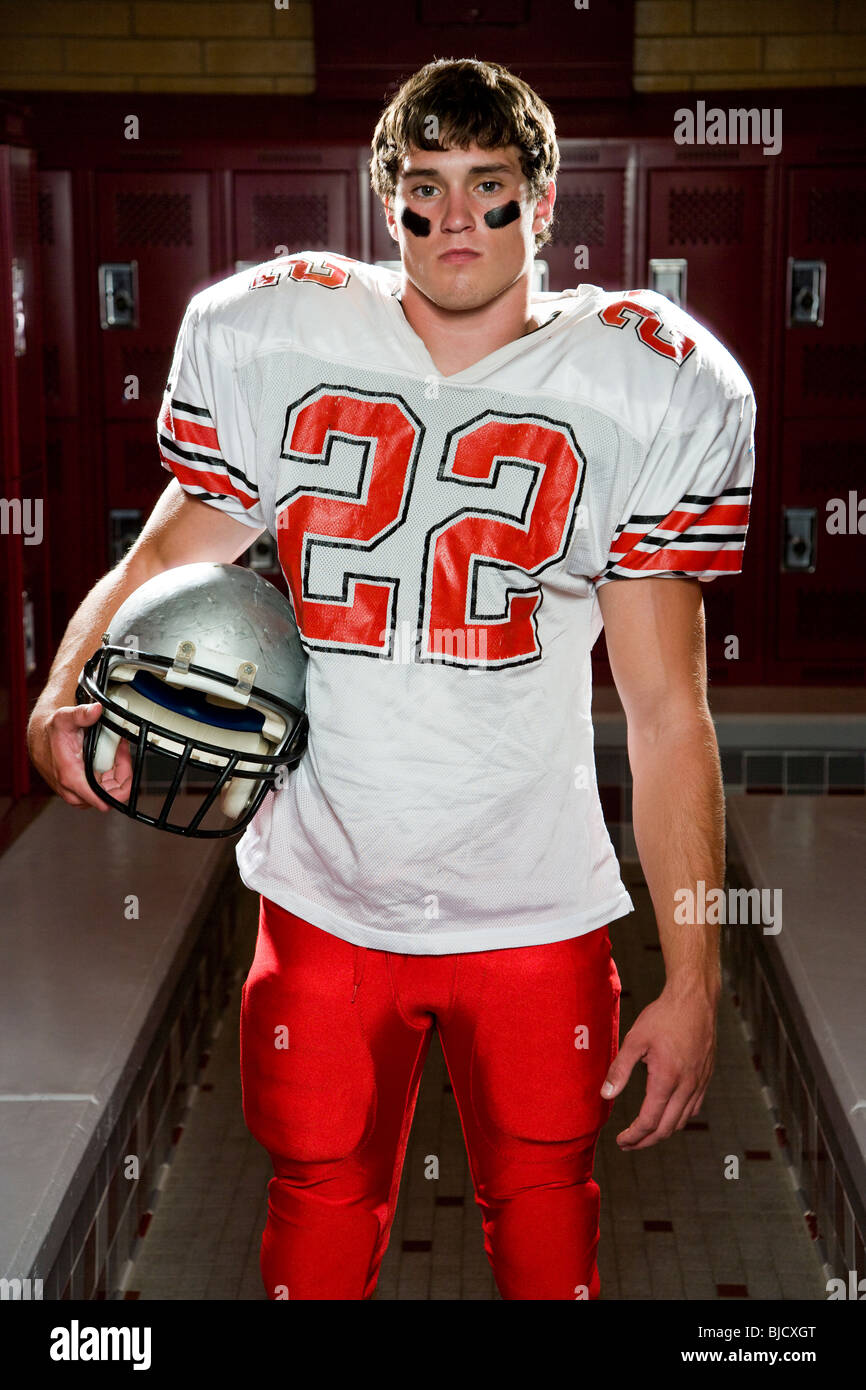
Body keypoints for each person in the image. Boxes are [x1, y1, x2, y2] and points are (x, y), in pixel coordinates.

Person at [27, 57, 755, 1301]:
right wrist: (60, 687)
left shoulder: (640, 381)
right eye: (425, 187)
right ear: (386, 201)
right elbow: (163, 551)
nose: (457, 218)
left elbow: (664, 711)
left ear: (543, 198)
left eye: (489, 185)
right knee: (314, 1216)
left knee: (544, 1229)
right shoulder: (284, 334)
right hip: (323, 890)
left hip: (531, 908)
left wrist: (695, 976)